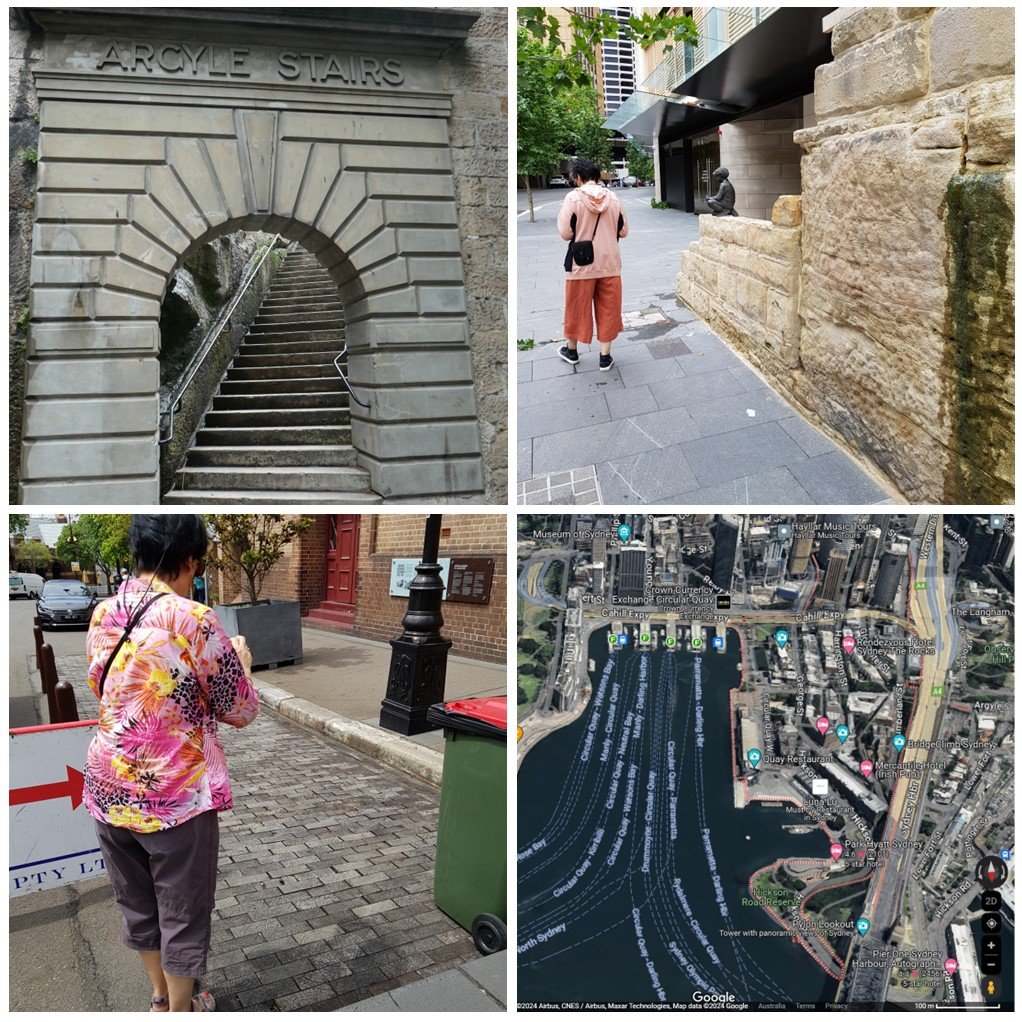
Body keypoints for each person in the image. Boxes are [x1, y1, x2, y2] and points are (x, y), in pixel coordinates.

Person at [84, 515, 260, 1012]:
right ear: (186, 561)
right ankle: (182, 1012)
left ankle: (161, 997)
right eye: (196, 566)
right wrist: (242, 662)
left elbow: (108, 689)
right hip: (175, 795)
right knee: (182, 911)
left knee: (137, 902)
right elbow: (240, 709)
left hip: (107, 785)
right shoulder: (195, 619)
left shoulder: (102, 614)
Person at [557, 157, 629, 372]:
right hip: (610, 264)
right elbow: (623, 231)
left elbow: (565, 233)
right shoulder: (614, 198)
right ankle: (605, 358)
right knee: (609, 308)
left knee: (576, 308)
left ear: (578, 177)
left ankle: (572, 352)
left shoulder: (572, 198)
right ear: (597, 177)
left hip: (581, 265)